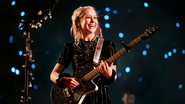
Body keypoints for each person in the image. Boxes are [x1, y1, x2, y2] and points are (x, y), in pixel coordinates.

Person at [50, 5, 117, 104]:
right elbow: (53, 75)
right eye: (88, 18)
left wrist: (109, 74)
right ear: (78, 22)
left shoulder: (107, 45)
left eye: (95, 18)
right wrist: (62, 79)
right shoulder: (70, 47)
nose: (93, 21)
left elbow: (114, 76)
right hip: (77, 98)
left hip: (101, 98)